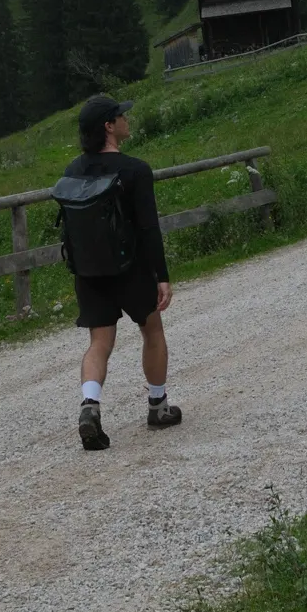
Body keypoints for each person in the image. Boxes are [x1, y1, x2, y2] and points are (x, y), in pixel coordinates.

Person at [67, 93, 181, 451]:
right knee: (152, 331)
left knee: (99, 343)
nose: (126, 120)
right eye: (121, 116)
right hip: (131, 268)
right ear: (109, 127)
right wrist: (161, 275)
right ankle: (158, 406)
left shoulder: (72, 171)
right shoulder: (135, 170)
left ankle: (90, 405)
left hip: (89, 270)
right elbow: (148, 229)